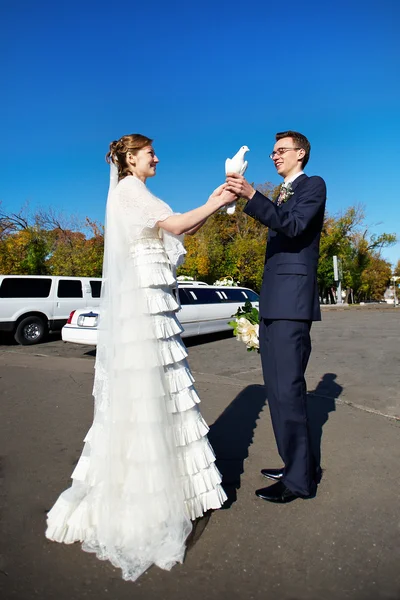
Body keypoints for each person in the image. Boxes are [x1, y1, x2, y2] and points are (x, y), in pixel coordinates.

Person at [45, 133, 236, 581]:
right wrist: (215, 201)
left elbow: (179, 223)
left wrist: (213, 199)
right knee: (150, 399)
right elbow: (177, 226)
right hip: (144, 316)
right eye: (150, 152)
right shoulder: (130, 192)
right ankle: (144, 500)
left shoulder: (138, 193)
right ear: (130, 159)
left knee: (161, 397)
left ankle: (175, 491)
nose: (157, 157)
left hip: (154, 311)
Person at [226, 130, 326, 504]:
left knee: (288, 392)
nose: (273, 156)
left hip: (291, 307)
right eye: (272, 152)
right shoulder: (283, 193)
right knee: (278, 393)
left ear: (300, 153)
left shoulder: (312, 185)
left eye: (281, 150)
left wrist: (252, 195)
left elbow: (295, 226)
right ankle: (296, 464)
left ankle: (299, 482)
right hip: (273, 306)